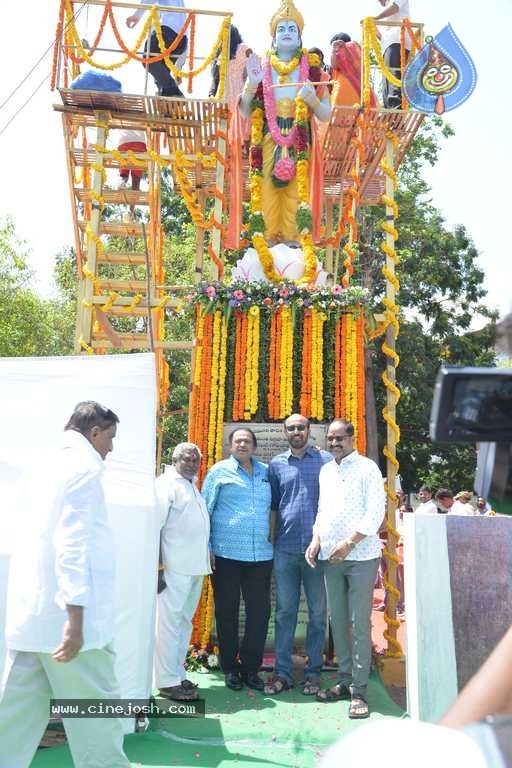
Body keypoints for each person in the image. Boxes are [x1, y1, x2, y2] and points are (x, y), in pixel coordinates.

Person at [0, 402, 130, 768]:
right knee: (98, 725)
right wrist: (75, 616)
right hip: (71, 629)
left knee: (10, 726)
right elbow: (72, 542)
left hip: (30, 621)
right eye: (110, 438)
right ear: (94, 433)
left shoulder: (42, 462)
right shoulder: (84, 467)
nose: (111, 448)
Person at [306, 418, 385, 719]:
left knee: (359, 622)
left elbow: (375, 512)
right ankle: (343, 681)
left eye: (340, 438)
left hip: (361, 555)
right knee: (337, 620)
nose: (335, 442)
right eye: (331, 438)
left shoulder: (368, 468)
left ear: (353, 438)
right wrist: (316, 540)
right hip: (330, 556)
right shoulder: (327, 470)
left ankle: (360, 691)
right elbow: (323, 511)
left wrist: (349, 543)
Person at [238, 0, 331, 245]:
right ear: (273, 38)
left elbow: (325, 114)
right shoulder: (261, 68)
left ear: (300, 37)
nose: (287, 32)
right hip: (268, 136)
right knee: (267, 191)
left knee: (296, 195)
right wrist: (251, 84)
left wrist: (313, 101)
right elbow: (245, 110)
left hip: (300, 139)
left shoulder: (315, 73)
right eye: (282, 29)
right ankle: (265, 246)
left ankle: (293, 247)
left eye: (292, 28)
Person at [264, 414, 332, 696]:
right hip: (285, 549)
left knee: (317, 614)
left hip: (317, 551)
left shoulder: (326, 461)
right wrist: (271, 539)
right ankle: (282, 673)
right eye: (291, 428)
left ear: (309, 431)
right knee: (284, 614)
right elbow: (275, 506)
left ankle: (313, 672)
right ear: (285, 433)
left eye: (301, 427)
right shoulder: (277, 465)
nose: (296, 432)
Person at [201, 428, 273, 692]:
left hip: (261, 555)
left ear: (254, 447)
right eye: (237, 440)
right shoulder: (218, 472)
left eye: (247, 441)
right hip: (225, 555)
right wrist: (207, 547)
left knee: (259, 613)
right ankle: (230, 668)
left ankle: (251, 669)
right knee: (227, 612)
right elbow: (204, 511)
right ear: (230, 446)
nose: (242, 444)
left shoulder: (267, 472)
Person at [154, 442, 210, 702]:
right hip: (172, 568)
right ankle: (166, 682)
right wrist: (158, 568)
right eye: (185, 459)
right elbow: (154, 528)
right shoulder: (166, 484)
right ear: (174, 460)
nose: (190, 463)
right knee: (167, 624)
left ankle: (176, 674)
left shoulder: (190, 485)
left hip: (194, 568)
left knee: (182, 623)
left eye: (194, 460)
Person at [127, 0, 187, 98]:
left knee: (149, 60)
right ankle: (166, 101)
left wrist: (137, 15)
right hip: (182, 42)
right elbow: (185, 38)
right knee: (161, 75)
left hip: (167, 33)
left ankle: (174, 91)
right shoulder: (178, 4)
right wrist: (178, 69)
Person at [374, 0, 413, 109]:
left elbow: (395, 8)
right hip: (388, 44)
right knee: (386, 82)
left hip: (397, 41)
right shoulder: (384, 8)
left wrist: (375, 19)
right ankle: (389, 110)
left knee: (393, 76)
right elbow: (383, 36)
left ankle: (396, 110)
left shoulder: (392, 5)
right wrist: (374, 31)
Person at [329, 32, 378, 107]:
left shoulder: (340, 53)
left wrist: (333, 50)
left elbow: (334, 65)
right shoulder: (357, 51)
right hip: (360, 92)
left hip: (343, 91)